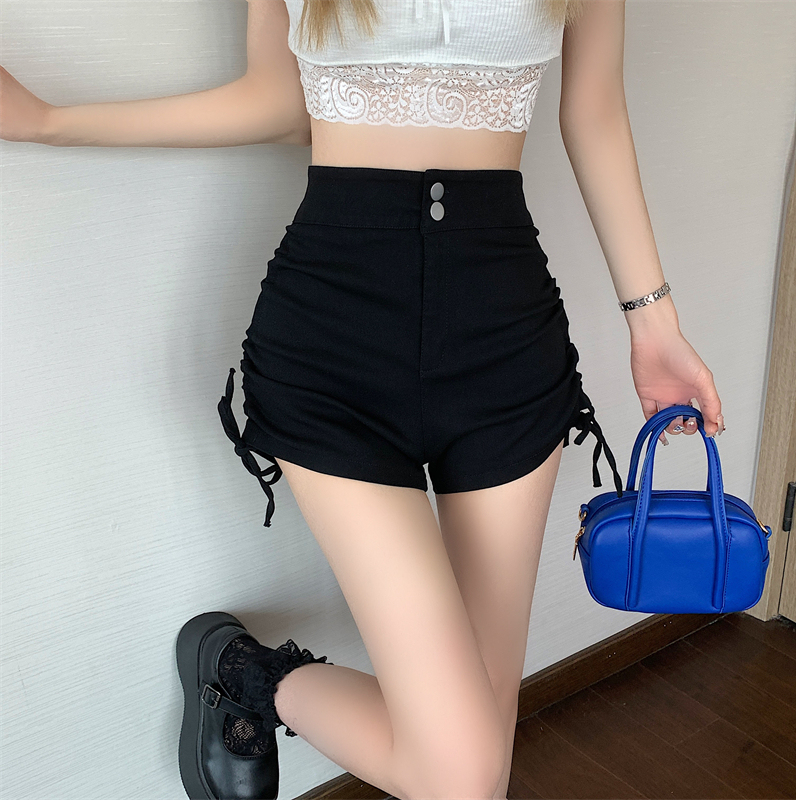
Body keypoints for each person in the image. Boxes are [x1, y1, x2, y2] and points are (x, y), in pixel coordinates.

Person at [0, 0, 725, 798]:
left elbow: (594, 114)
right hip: (332, 338)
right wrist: (47, 122)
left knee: (475, 769)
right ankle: (251, 674)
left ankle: (245, 674)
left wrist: (655, 326)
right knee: (462, 775)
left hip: (506, 340)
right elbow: (281, 102)